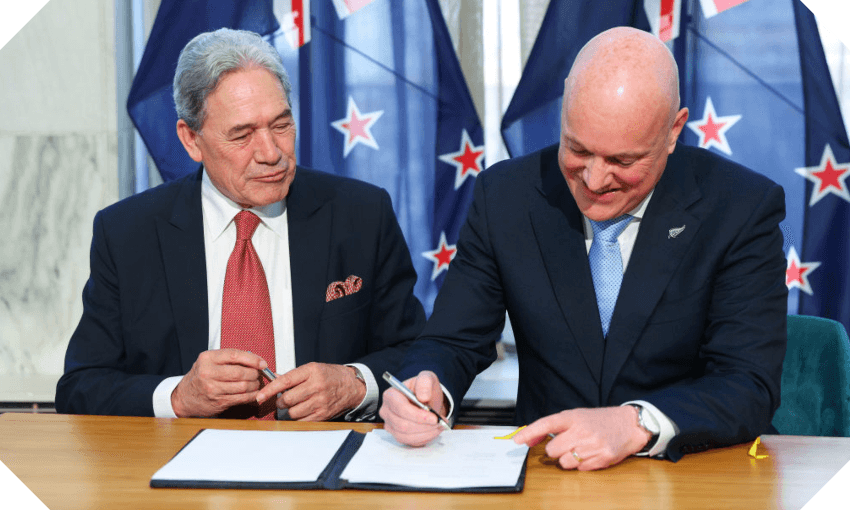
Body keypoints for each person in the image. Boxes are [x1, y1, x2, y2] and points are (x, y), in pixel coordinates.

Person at [380, 27, 787, 470]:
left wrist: (636, 423)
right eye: (577, 149)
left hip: (690, 473)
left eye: (622, 161)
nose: (593, 180)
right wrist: (424, 389)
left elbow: (748, 383)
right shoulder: (506, 197)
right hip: (547, 470)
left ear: (673, 130)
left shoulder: (740, 208)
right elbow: (452, 340)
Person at [56, 28, 425, 421]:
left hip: (321, 448)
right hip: (180, 452)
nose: (271, 153)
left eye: (281, 125)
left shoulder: (361, 215)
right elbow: (81, 387)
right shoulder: (128, 233)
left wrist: (354, 383)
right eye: (242, 135)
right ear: (191, 140)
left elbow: (419, 353)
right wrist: (178, 397)